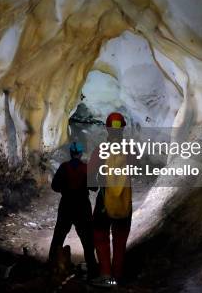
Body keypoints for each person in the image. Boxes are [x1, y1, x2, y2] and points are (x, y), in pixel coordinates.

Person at [88, 112, 133, 287]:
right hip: (124, 200)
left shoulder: (101, 151)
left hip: (104, 201)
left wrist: (92, 185)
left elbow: (91, 175)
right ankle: (118, 276)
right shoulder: (131, 150)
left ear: (107, 129)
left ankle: (106, 275)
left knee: (100, 236)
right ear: (123, 129)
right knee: (120, 240)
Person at [48, 142, 98, 277]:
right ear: (81, 154)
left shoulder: (64, 167)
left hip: (66, 205)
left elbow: (55, 186)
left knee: (58, 237)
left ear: (70, 153)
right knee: (88, 240)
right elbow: (95, 188)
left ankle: (51, 266)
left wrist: (66, 188)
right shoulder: (86, 168)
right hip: (82, 206)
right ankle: (92, 269)